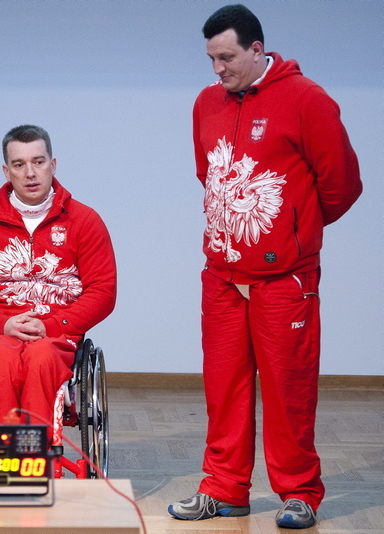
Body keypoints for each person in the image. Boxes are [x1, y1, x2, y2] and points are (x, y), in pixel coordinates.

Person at [168, 5, 362, 529]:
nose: (218, 69)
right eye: (211, 59)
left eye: (227, 57)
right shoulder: (206, 103)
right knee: (223, 388)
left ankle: (299, 493)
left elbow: (342, 185)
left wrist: (292, 231)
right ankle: (223, 489)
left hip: (285, 278)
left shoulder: (307, 99)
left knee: (288, 390)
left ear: (257, 50)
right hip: (221, 274)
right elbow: (207, 173)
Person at [0, 124, 117, 437]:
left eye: (38, 162)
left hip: (57, 332)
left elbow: (103, 292)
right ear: (6, 171)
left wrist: (52, 325)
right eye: (19, 164)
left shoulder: (84, 220)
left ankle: (37, 456)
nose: (30, 173)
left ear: (53, 164)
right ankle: (1, 454)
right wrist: (1, 323)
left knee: (41, 358)